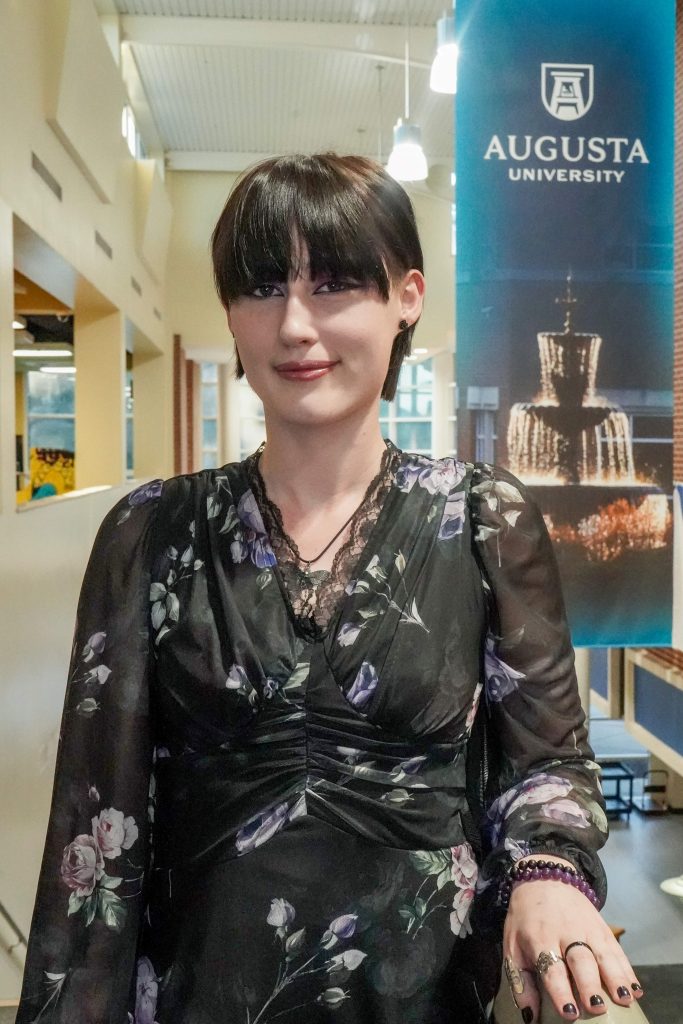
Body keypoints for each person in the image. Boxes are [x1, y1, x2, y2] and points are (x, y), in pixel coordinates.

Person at [17, 154, 644, 1024]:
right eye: (264, 287)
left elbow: (547, 763)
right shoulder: (153, 532)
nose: (296, 326)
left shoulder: (481, 521)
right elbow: (96, 832)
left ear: (406, 298)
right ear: (232, 316)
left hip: (422, 1001)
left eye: (337, 285)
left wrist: (549, 874)